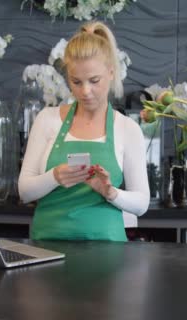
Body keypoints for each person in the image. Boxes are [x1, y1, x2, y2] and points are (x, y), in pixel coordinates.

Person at [18, 21, 150, 242]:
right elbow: (24, 192)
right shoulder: (47, 120)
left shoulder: (128, 129)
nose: (85, 91)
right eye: (76, 81)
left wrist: (111, 193)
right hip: (47, 250)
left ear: (111, 72)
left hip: (108, 257)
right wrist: (55, 177)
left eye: (94, 80)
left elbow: (141, 204)